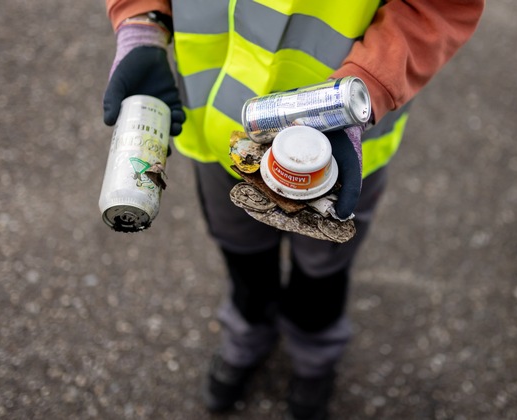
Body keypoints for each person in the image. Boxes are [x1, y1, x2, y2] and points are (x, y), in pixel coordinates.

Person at [102, 1, 484, 419]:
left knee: (322, 270)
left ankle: (315, 356)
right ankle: (249, 333)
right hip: (215, 127)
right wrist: (142, 21)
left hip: (338, 144)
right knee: (241, 249)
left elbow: (439, 8)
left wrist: (367, 85)